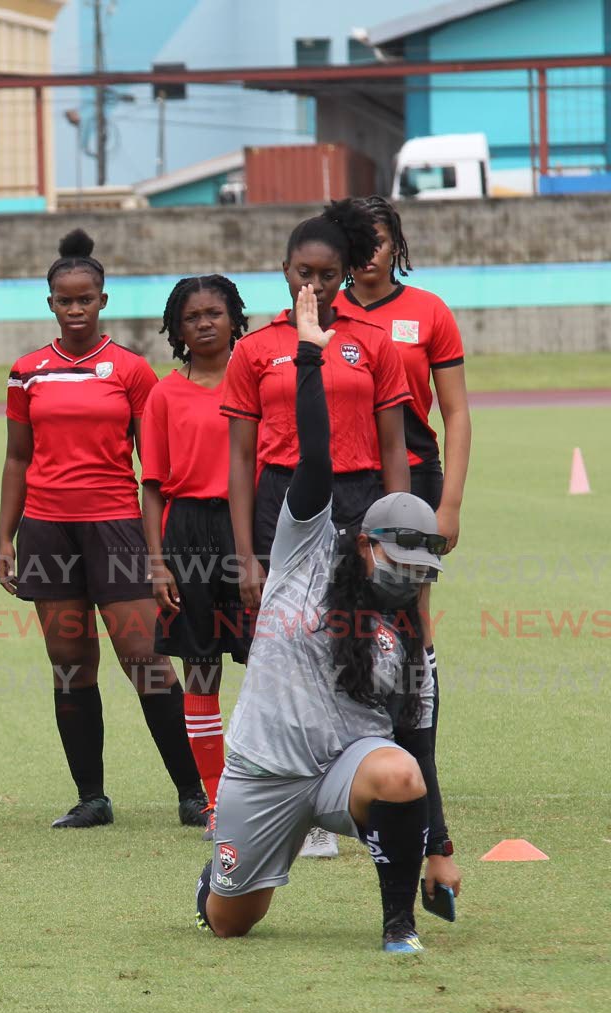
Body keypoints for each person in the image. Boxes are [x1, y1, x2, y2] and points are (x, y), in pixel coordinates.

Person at [195, 285, 462, 953]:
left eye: (419, 566)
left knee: (400, 772)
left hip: (349, 768)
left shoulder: (405, 630)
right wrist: (311, 359)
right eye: (397, 557)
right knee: (232, 922)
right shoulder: (306, 552)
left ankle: (397, 928)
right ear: (367, 542)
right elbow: (316, 461)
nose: (407, 574)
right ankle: (219, 878)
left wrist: (439, 849)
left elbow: (417, 745)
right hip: (266, 769)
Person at [221, 199, 413, 858]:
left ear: (345, 273)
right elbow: (242, 458)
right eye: (303, 272)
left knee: (361, 643)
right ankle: (288, 784)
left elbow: (395, 448)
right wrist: (246, 554)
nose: (315, 286)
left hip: (361, 500)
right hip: (287, 504)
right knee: (287, 643)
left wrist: (401, 537)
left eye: (327, 274)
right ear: (283, 270)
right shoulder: (254, 350)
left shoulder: (375, 344)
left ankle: (358, 777)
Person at [0, 230, 207, 830]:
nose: (76, 308)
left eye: (86, 298)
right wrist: (4, 539)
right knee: (69, 662)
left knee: (144, 658)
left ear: (103, 300)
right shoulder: (26, 373)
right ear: (51, 305)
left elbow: (153, 468)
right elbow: (17, 459)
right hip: (47, 532)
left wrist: (160, 546)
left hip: (116, 528)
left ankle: (193, 793)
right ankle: (92, 797)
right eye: (65, 300)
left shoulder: (132, 371)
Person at [337, 197, 471, 846]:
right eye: (356, 242)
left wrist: (449, 505)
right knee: (340, 619)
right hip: (345, 480)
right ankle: (348, 766)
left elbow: (457, 412)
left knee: (409, 624)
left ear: (397, 245)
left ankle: (418, 761)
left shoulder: (428, 313)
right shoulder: (323, 317)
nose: (368, 253)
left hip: (413, 484)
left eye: (379, 240)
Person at [141, 275, 251, 840]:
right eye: (192, 316)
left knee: (268, 669)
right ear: (177, 329)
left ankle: (274, 799)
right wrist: (158, 563)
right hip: (188, 534)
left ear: (236, 317)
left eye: (215, 312)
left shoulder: (256, 380)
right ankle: (215, 804)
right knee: (200, 669)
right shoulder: (164, 395)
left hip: (249, 528)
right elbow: (153, 486)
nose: (205, 322)